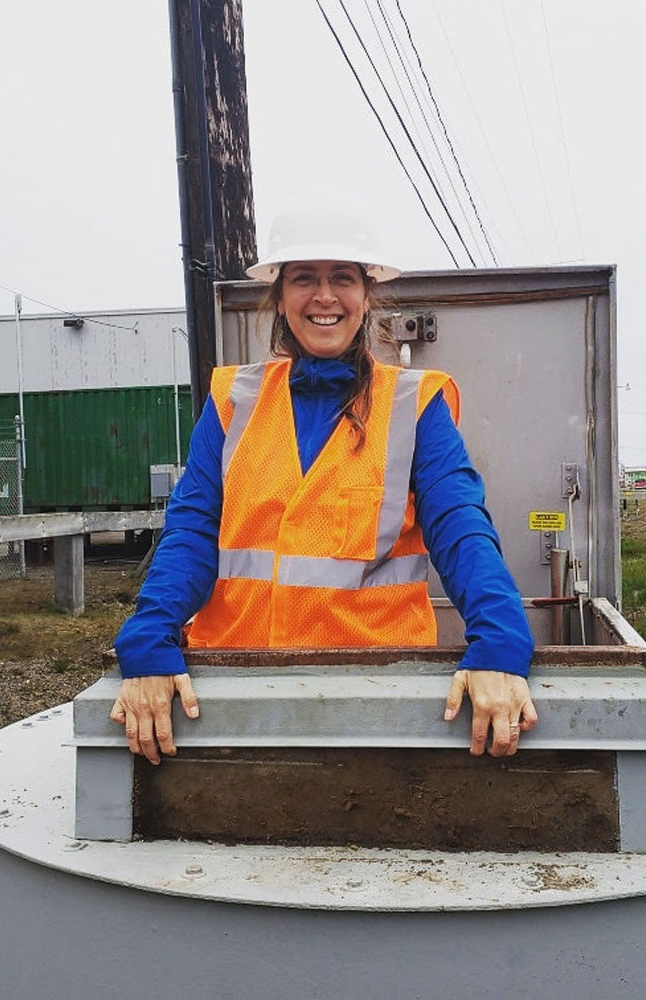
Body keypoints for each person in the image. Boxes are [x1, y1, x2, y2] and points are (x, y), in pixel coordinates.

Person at [112, 187, 536, 765]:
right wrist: (148, 639)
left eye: (342, 277)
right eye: (304, 278)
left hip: (376, 692)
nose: (324, 296)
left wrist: (500, 642)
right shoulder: (234, 398)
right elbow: (192, 529)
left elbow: (461, 526)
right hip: (236, 687)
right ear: (280, 296)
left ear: (367, 295)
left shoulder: (414, 404)